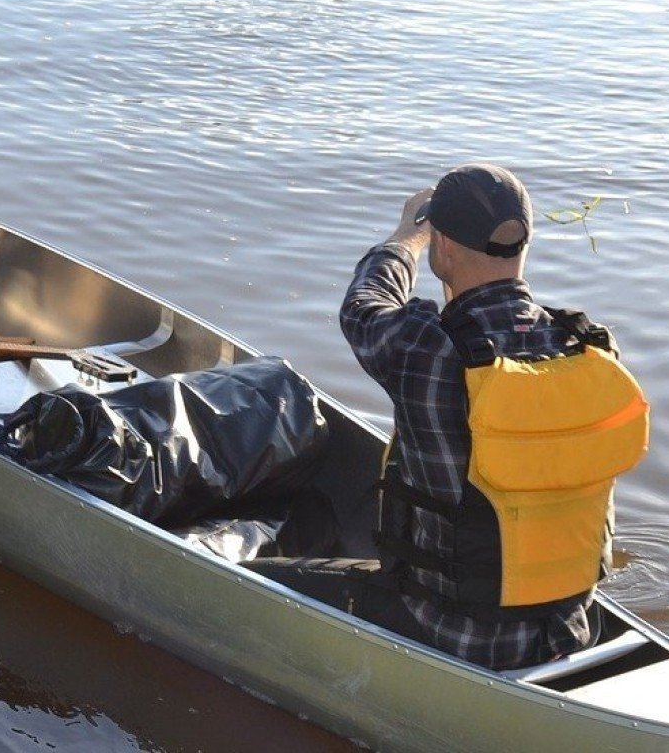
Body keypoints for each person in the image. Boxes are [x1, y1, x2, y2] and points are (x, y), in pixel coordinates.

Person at [256, 164, 649, 670]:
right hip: (569, 625)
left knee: (250, 576)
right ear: (523, 244)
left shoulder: (429, 346)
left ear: (443, 248)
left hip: (448, 631)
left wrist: (406, 237)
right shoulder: (590, 347)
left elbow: (363, 305)